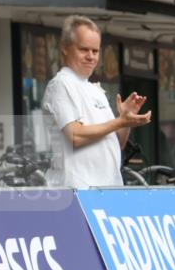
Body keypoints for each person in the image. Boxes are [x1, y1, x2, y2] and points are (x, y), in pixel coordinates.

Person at [42, 15, 150, 188]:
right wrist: (119, 122)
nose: (91, 56)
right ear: (65, 49)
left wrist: (125, 120)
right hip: (77, 192)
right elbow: (75, 136)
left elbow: (117, 143)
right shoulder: (61, 84)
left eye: (95, 51)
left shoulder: (94, 90)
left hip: (106, 192)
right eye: (84, 50)